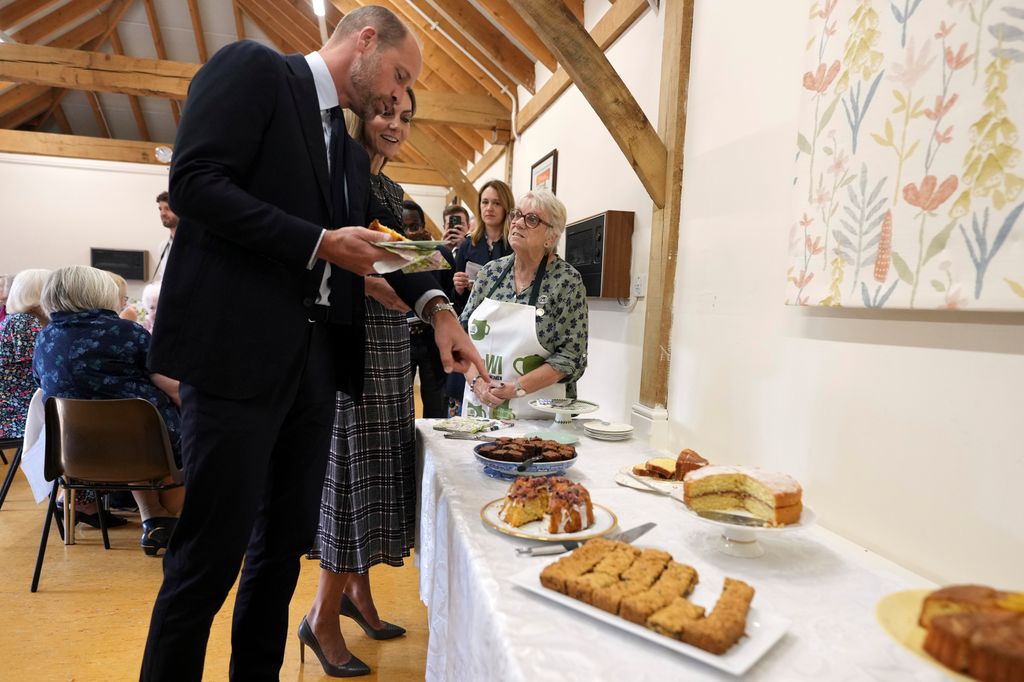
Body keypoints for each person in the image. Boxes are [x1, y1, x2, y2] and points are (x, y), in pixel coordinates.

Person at [140, 7, 487, 681]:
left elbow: (380, 246)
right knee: (207, 563)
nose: (397, 95)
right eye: (398, 75)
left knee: (279, 558)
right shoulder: (255, 71)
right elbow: (195, 182)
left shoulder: (348, 150)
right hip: (237, 360)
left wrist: (438, 308)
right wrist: (320, 244)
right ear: (364, 42)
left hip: (315, 371)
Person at [305, 86, 417, 678]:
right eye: (384, 112)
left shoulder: (393, 190)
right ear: (358, 113)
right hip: (351, 341)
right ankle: (322, 614)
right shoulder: (334, 175)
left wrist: (411, 280)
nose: (395, 124)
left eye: (404, 116)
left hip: (392, 343)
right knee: (349, 475)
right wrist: (378, 284)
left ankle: (359, 595)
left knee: (374, 472)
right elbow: (325, 258)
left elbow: (396, 263)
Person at [33, 266, 184, 552]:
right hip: (144, 448)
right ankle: (167, 519)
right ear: (101, 294)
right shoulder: (128, 333)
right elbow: (174, 388)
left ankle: (152, 516)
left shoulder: (44, 339)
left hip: (73, 453)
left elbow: (41, 386)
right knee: (196, 434)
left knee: (125, 427)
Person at [461, 189, 589, 420]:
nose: (518, 223)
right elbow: (461, 337)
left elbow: (571, 357)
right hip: (479, 406)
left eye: (531, 219)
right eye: (516, 215)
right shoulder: (490, 273)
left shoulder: (567, 282)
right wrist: (476, 382)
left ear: (551, 237)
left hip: (538, 414)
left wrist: (515, 388)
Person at [446, 179, 514, 415]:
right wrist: (459, 287)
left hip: (505, 327)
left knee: (497, 390)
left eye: (496, 203)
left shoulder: (513, 245)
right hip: (472, 325)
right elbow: (455, 299)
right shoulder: (467, 245)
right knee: (464, 390)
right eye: (485, 202)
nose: (489, 208)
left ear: (506, 207)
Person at [0, 269, 50, 440]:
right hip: (16, 411)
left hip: (22, 403)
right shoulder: (24, 322)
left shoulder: (27, 320)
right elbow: (41, 369)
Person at [152, 191, 178, 282]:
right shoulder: (163, 246)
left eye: (167, 208)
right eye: (160, 209)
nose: (162, 213)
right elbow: (164, 277)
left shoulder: (195, 244)